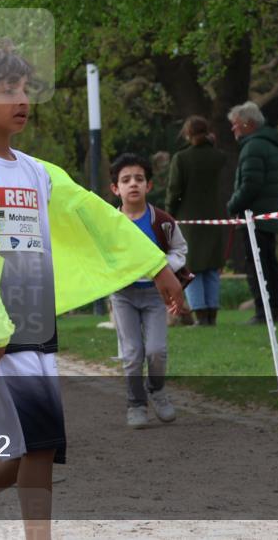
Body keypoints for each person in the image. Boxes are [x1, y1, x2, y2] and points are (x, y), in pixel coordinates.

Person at [0, 41, 185, 540]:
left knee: (34, 446)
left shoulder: (38, 172)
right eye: (7, 89)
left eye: (25, 89)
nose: (22, 99)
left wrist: (156, 265)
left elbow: (97, 216)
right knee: (37, 444)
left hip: (36, 326)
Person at [108, 152, 188, 429]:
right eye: (126, 180)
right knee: (132, 354)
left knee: (156, 350)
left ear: (149, 186)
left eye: (139, 179)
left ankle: (157, 390)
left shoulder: (162, 221)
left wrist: (162, 268)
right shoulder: (109, 223)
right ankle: (136, 404)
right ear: (115, 188)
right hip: (123, 296)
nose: (133, 184)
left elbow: (180, 249)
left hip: (156, 296)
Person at [226, 101, 278, 325]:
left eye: (235, 125)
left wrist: (233, 204)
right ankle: (275, 309)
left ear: (247, 124)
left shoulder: (253, 147)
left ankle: (264, 312)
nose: (233, 129)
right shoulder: (271, 145)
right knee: (270, 263)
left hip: (255, 216)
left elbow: (250, 184)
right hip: (268, 214)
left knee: (257, 266)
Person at [167, 116, 228, 326]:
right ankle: (212, 315)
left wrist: (169, 214)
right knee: (212, 267)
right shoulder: (219, 157)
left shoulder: (182, 159)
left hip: (189, 220)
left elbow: (175, 190)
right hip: (215, 218)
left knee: (192, 267)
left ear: (187, 134)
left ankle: (200, 315)